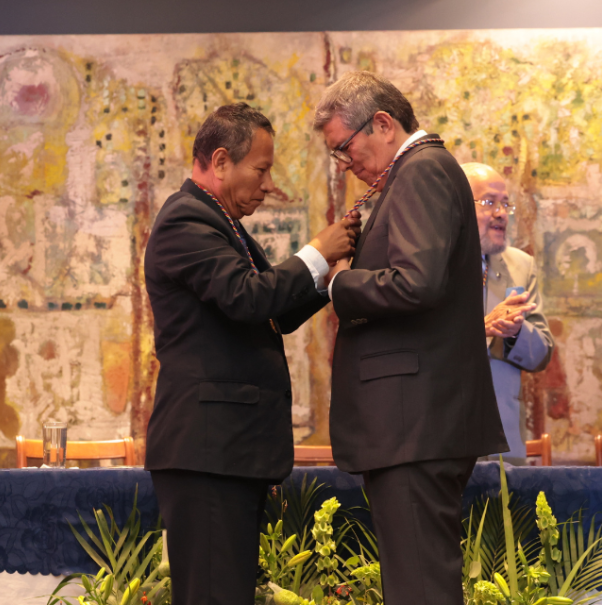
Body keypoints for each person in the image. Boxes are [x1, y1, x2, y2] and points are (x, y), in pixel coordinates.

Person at [142, 102, 360, 605]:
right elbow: (248, 297)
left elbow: (274, 311)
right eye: (260, 170)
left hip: (228, 452)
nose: (267, 184)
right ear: (220, 162)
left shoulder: (221, 221)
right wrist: (316, 252)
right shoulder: (185, 219)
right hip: (207, 453)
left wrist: (329, 278)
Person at [313, 72, 507, 604]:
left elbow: (416, 283)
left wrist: (339, 286)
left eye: (344, 148)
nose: (344, 163)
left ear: (382, 123)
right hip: (416, 421)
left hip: (415, 421)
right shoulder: (418, 172)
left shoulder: (420, 172)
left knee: (420, 586)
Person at [461, 163, 555, 465]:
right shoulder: (429, 264)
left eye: (505, 204)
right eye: (489, 202)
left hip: (503, 439)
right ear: (457, 204)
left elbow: (540, 354)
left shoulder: (520, 265)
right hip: (441, 436)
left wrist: (516, 332)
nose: (501, 213)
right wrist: (481, 328)